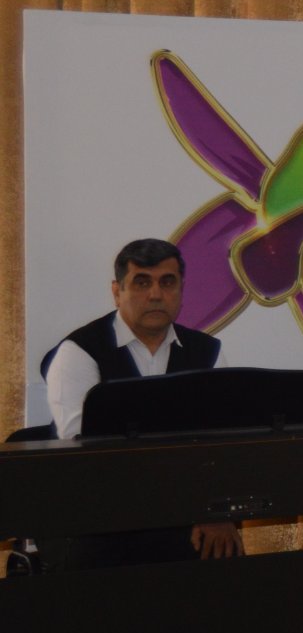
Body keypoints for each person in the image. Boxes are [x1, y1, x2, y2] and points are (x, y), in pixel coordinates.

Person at [41, 237, 239, 567]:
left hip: (182, 514)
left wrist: (215, 510)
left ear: (181, 289)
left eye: (167, 282)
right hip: (93, 517)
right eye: (142, 282)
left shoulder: (208, 353)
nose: (156, 294)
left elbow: (222, 445)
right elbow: (84, 455)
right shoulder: (79, 352)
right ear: (117, 291)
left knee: (223, 548)